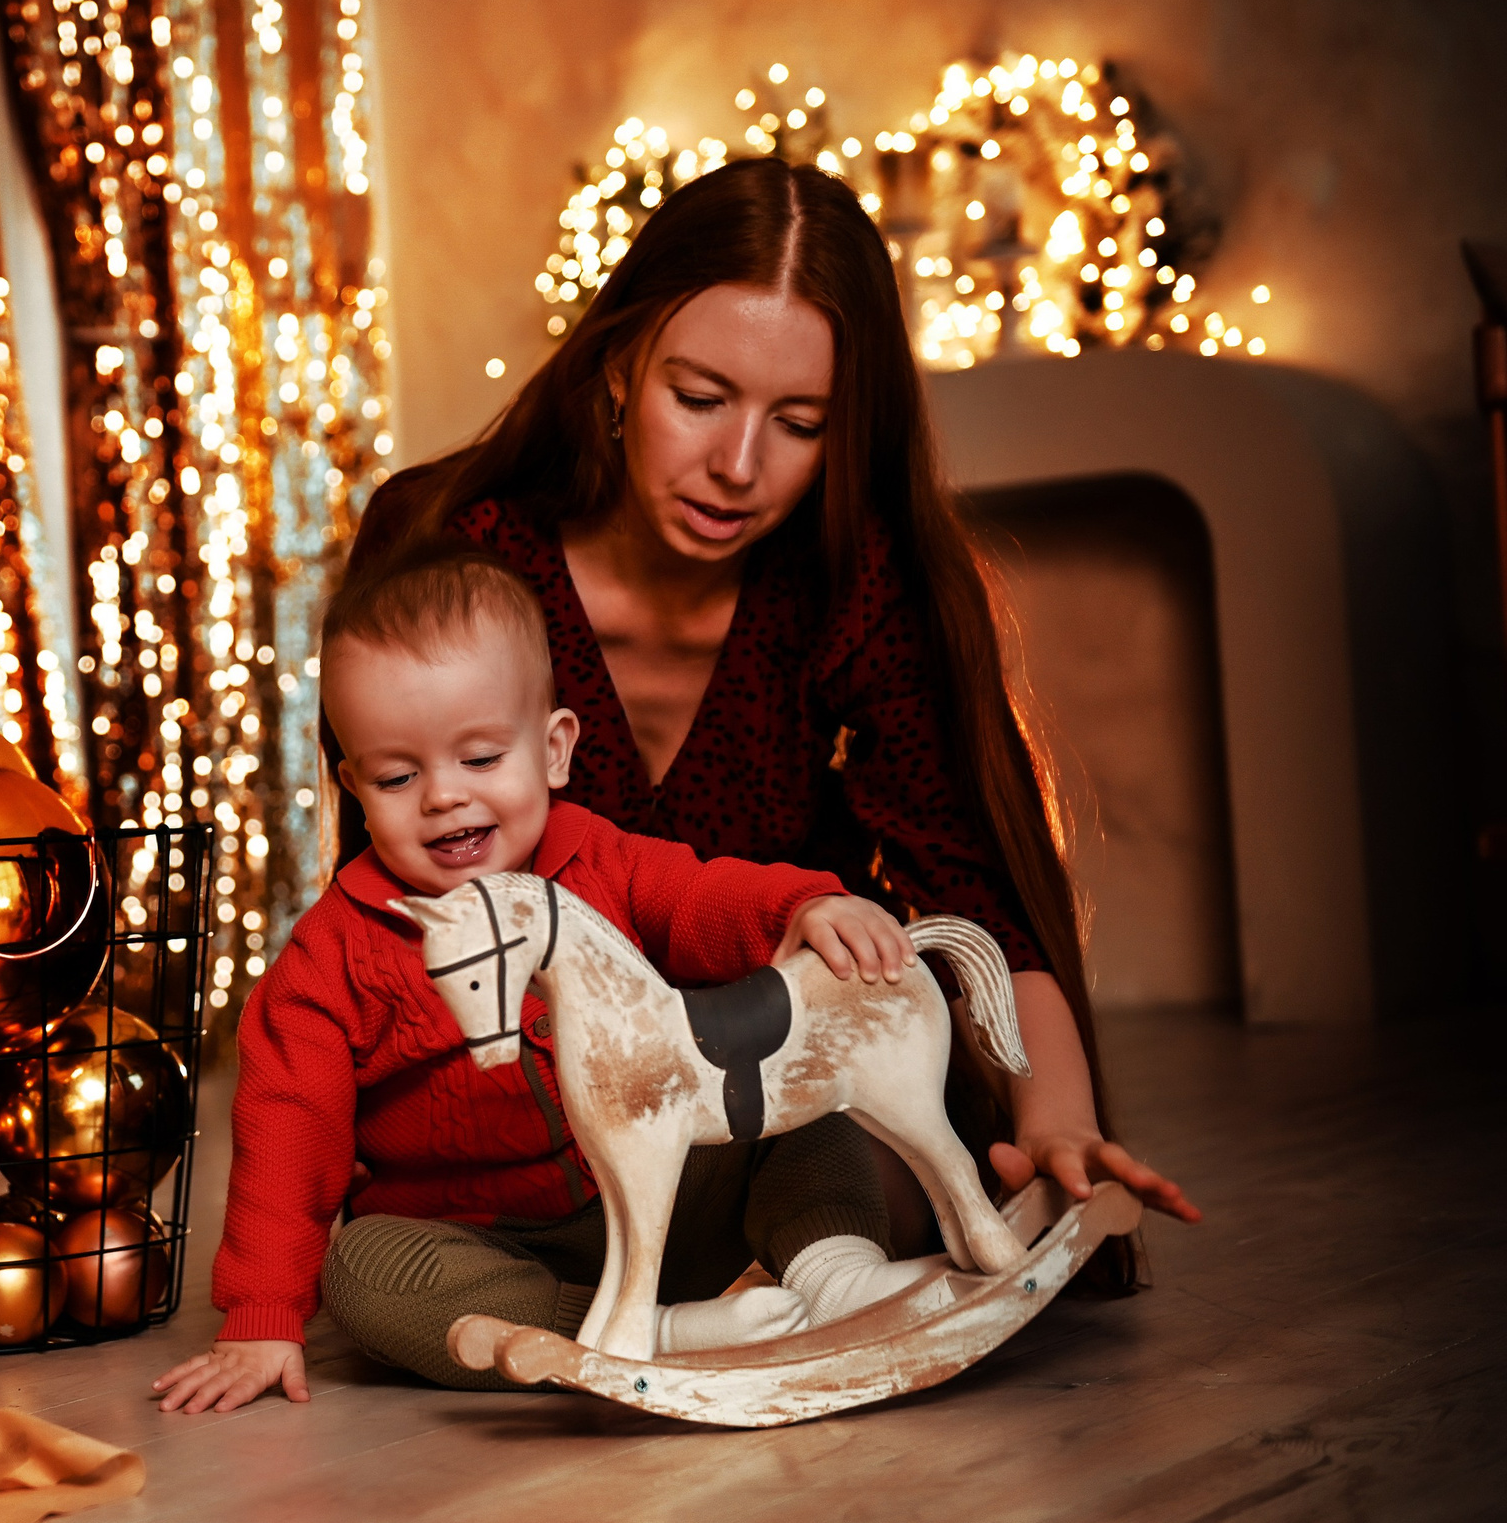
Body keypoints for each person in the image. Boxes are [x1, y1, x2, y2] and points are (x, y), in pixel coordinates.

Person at [333, 156, 1200, 1264]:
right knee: (408, 1259)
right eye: (697, 398)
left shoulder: (864, 580)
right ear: (615, 370)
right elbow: (383, 899)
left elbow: (976, 895)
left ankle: (757, 1270)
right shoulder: (446, 543)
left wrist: (1058, 1125)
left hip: (796, 1079)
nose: (736, 465)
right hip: (536, 1112)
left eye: (799, 422)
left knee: (879, 1172)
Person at [153, 547, 946, 1414]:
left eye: (481, 759)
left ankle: (836, 1275)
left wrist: (802, 905)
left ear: (554, 749)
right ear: (353, 788)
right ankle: (655, 1333)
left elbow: (698, 894)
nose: (444, 797)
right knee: (366, 1271)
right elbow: (287, 1129)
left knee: (796, 1115)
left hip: (667, 1188)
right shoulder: (331, 958)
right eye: (397, 776)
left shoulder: (597, 859)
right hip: (498, 1252)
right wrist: (263, 1313)